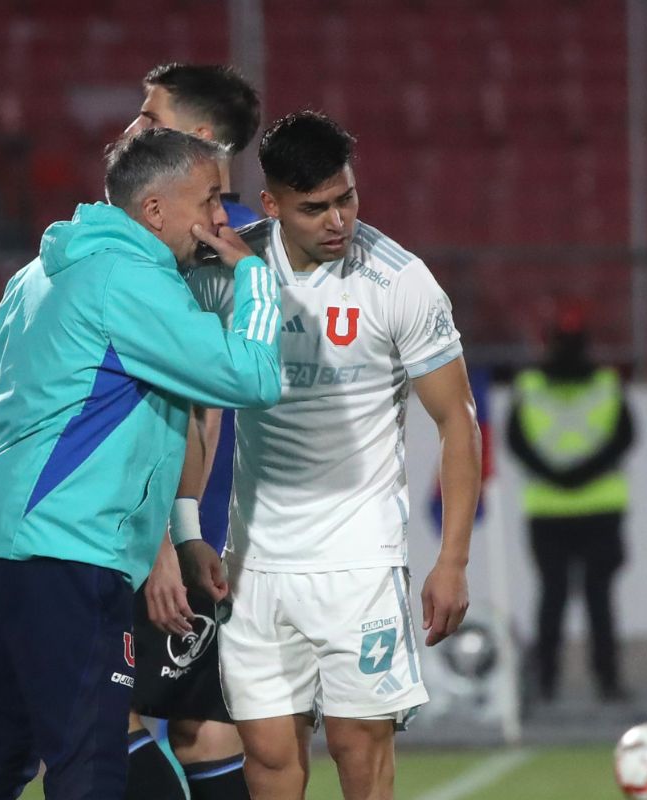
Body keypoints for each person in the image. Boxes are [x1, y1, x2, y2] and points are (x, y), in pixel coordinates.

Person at [0, 127, 283, 800]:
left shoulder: (36, 273)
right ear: (154, 211)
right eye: (209, 199)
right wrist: (254, 276)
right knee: (91, 766)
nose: (220, 217)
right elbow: (253, 377)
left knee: (2, 753)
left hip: (3, 545)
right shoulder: (130, 279)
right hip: (69, 555)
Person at [184, 112, 482, 800]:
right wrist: (186, 531)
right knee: (269, 761)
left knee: (359, 751)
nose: (337, 220)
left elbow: (456, 421)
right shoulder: (229, 274)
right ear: (271, 203)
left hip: (361, 564)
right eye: (313, 207)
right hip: (257, 563)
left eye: (346, 198)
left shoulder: (398, 280)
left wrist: (453, 559)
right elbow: (194, 412)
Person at [121, 63, 262, 800]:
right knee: (202, 721)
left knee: (94, 710)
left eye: (150, 116)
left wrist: (169, 540)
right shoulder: (252, 239)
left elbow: (191, 399)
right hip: (219, 524)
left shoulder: (191, 246)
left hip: (177, 526)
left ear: (198, 138)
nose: (133, 126)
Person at [506, 303, 635, 704]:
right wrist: (583, 475)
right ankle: (603, 682)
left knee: (557, 597)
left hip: (551, 508)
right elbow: (623, 438)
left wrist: (556, 476)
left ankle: (550, 682)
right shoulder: (606, 384)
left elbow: (518, 443)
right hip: (596, 506)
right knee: (592, 598)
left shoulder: (532, 386)